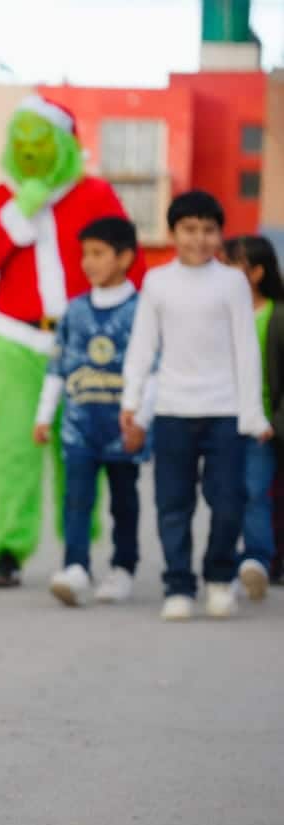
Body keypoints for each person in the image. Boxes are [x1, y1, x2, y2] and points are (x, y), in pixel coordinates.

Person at [0, 94, 146, 589]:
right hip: (14, 340)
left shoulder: (95, 195)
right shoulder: (1, 198)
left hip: (87, 342)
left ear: (64, 145)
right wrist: (20, 209)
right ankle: (7, 548)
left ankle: (77, 551)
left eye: (40, 142)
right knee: (12, 450)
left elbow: (131, 264)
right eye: (21, 142)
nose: (29, 152)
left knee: (83, 450)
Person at [122, 191, 272, 621]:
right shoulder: (157, 282)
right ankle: (178, 586)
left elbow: (246, 350)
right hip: (172, 410)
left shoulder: (232, 283)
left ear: (220, 234)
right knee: (173, 505)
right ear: (173, 233)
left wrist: (252, 414)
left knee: (228, 502)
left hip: (225, 412)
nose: (199, 239)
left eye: (209, 230)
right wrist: (132, 401)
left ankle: (220, 579)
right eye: (189, 229)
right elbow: (142, 345)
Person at [34, 217, 154, 607]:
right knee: (76, 499)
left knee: (124, 501)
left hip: (122, 429)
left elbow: (153, 370)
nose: (88, 262)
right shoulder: (74, 311)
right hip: (78, 429)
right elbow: (58, 367)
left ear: (125, 257)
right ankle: (76, 567)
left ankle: (123, 568)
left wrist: (142, 420)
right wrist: (43, 415)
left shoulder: (142, 311)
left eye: (99, 253)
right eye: (85, 254)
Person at [223, 235, 284, 603]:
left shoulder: (276, 317)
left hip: (261, 425)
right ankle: (228, 560)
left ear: (256, 273)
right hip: (220, 420)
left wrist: (275, 422)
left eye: (231, 265)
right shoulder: (221, 314)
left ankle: (258, 560)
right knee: (223, 494)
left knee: (255, 492)